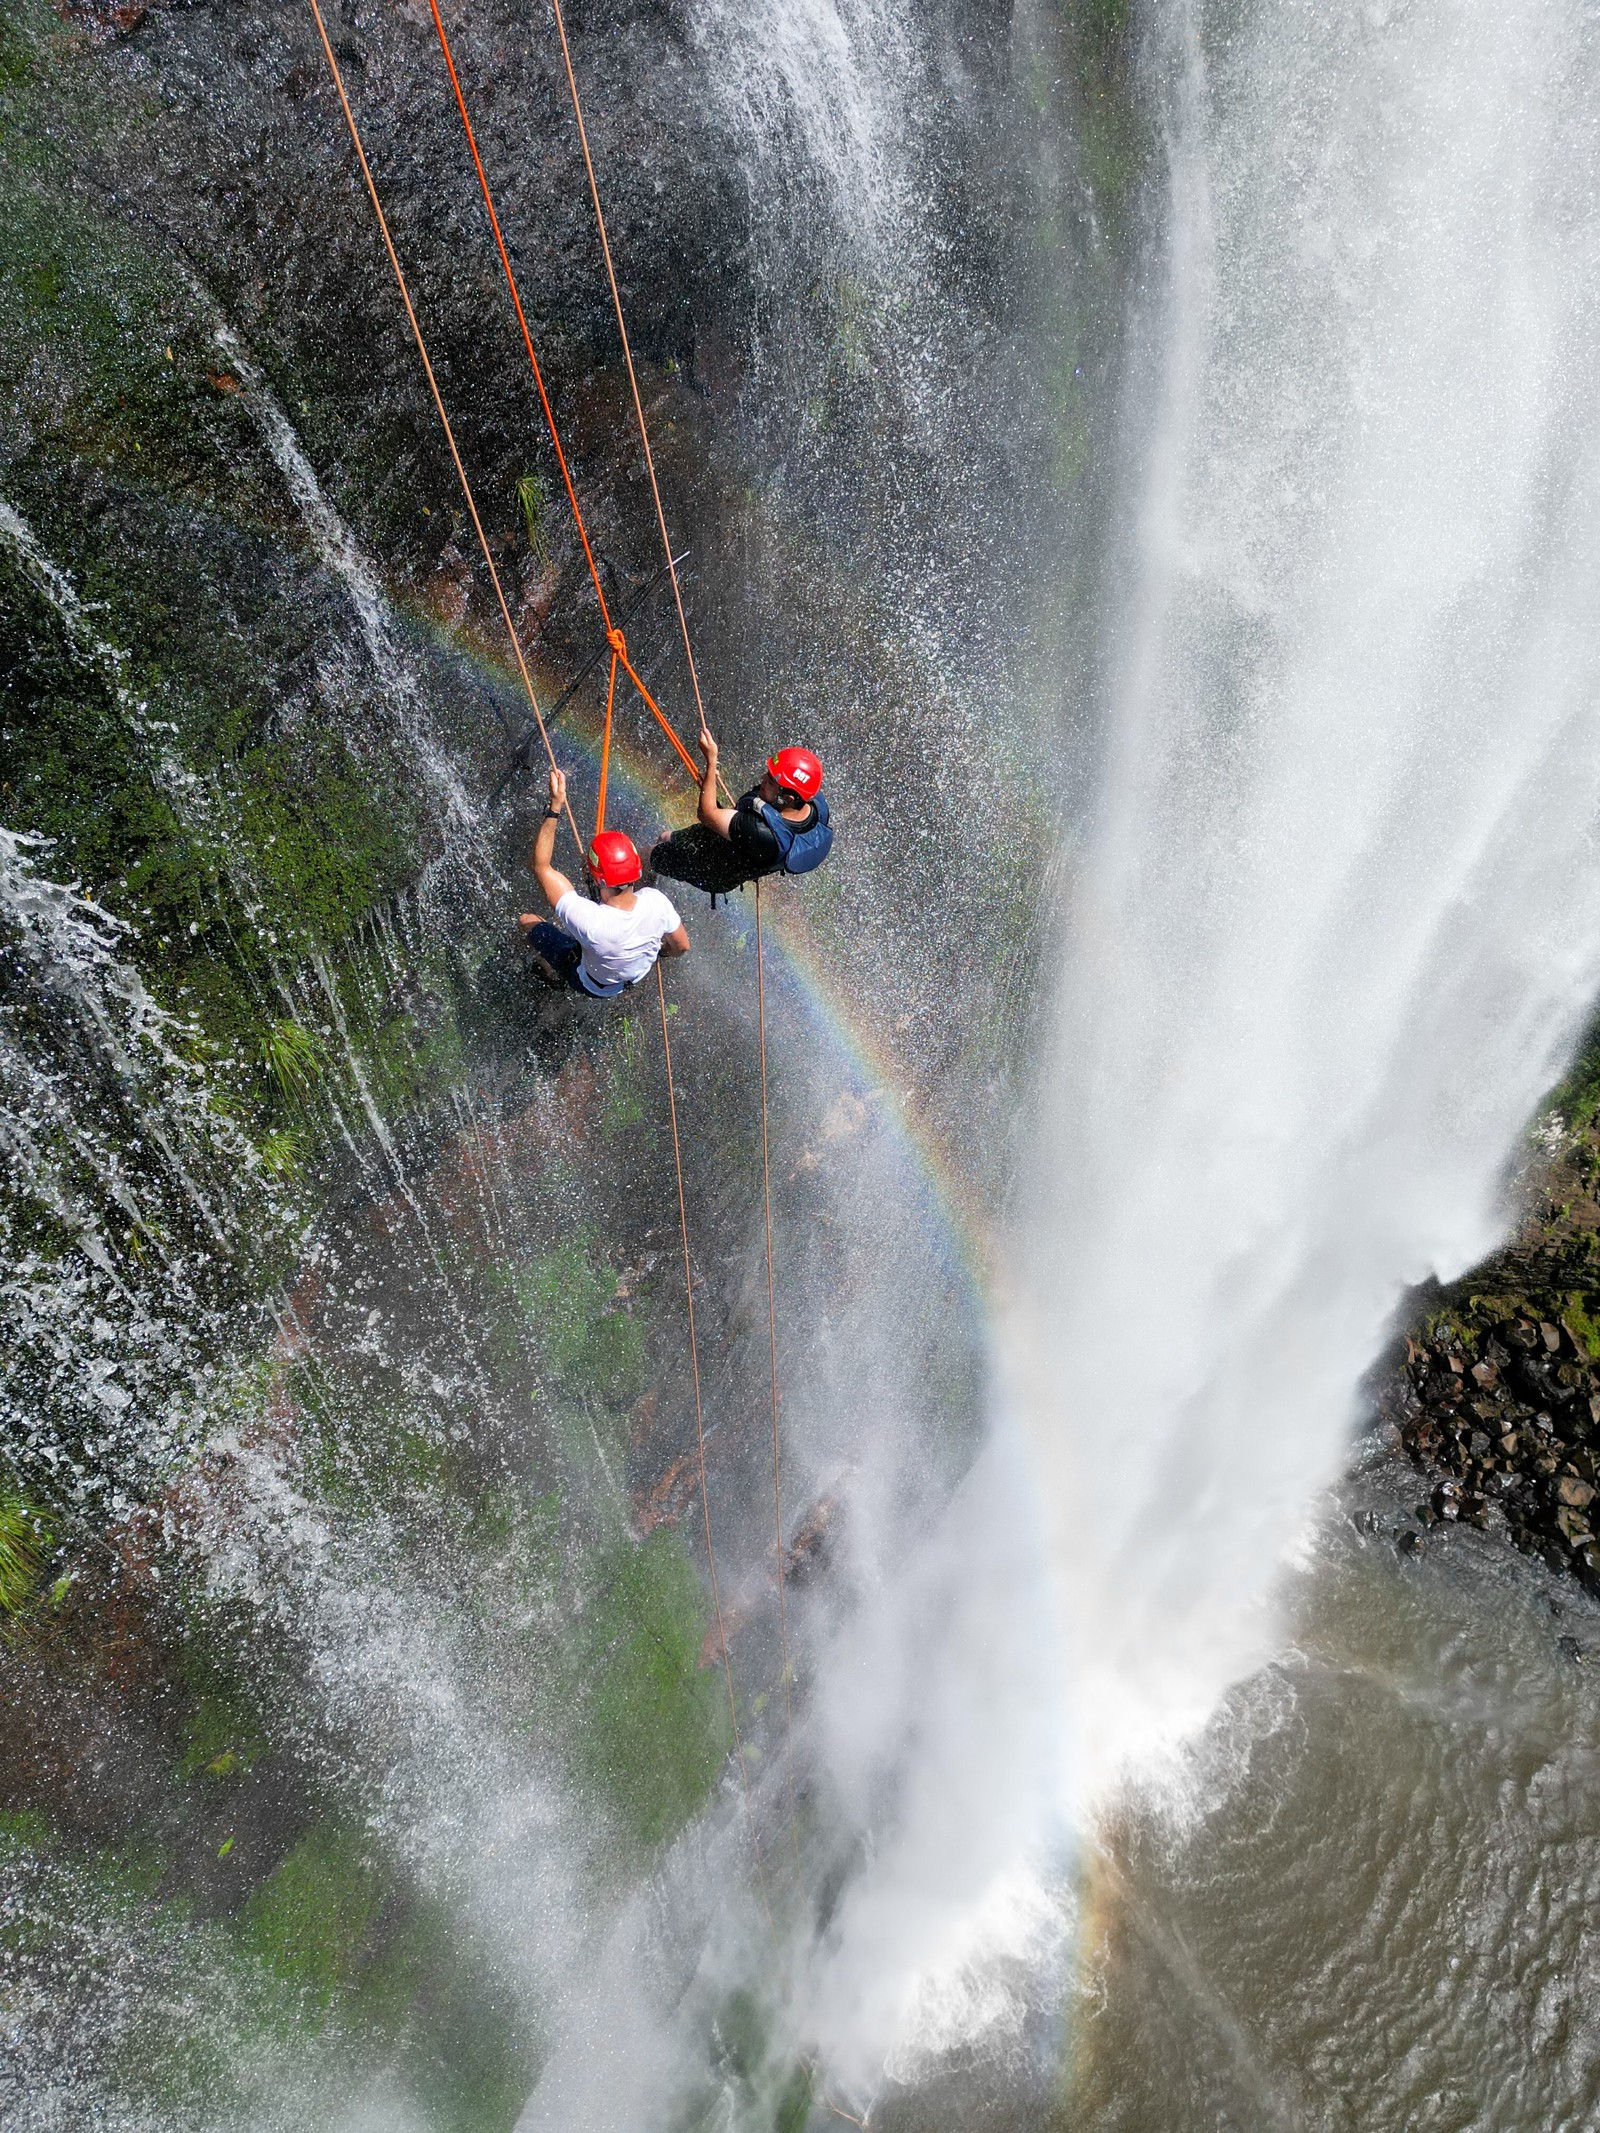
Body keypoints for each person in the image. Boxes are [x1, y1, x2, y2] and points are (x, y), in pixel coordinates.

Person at [520, 767, 689, 998]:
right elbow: (681, 947)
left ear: (599, 879)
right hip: (626, 981)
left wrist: (555, 806)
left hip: (589, 983)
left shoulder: (590, 920)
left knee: (527, 921)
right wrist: (660, 953)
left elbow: (541, 866)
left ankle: (552, 972)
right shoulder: (657, 902)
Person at [650, 727, 833, 902]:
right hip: (724, 840)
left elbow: (706, 814)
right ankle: (651, 878)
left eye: (769, 781)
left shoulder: (760, 832)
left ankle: (638, 900)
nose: (762, 779)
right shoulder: (813, 806)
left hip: (710, 866)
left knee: (647, 856)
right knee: (665, 836)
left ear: (787, 798)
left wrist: (711, 763)